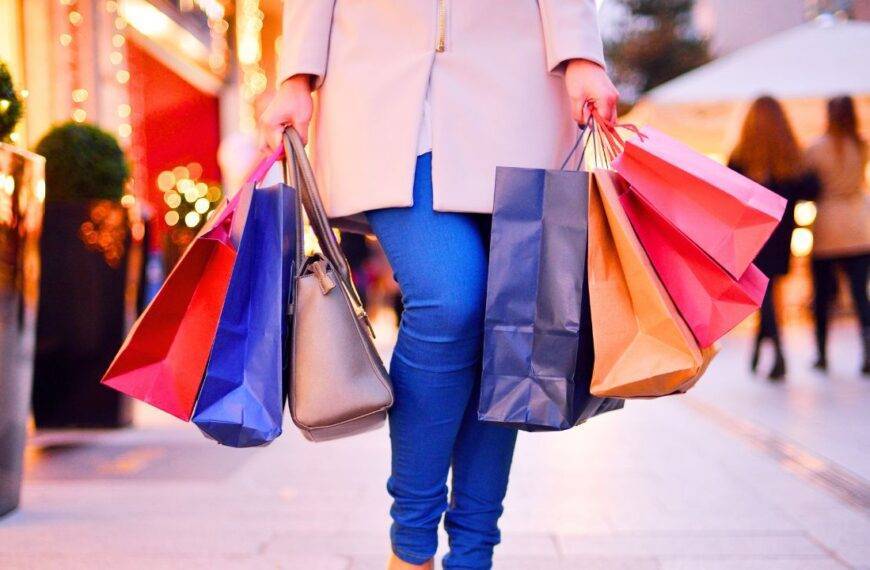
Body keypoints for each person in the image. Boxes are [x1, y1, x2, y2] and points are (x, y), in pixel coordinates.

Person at [260, 3, 618, 569]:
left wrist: (581, 55)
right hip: (379, 84)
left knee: (509, 327)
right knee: (451, 298)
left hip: (517, 87)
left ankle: (474, 555)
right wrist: (295, 75)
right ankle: (411, 546)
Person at [728, 96, 819, 381]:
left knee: (762, 293)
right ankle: (763, 347)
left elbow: (729, 192)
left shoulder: (740, 157)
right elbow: (811, 190)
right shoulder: (791, 158)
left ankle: (776, 349)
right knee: (769, 291)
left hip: (751, 234)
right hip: (782, 234)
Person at [805, 95, 870, 376]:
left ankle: (821, 352)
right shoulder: (862, 145)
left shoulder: (816, 148)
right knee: (860, 295)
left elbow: (806, 183)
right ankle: (867, 349)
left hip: (828, 225)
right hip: (859, 223)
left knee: (823, 295)